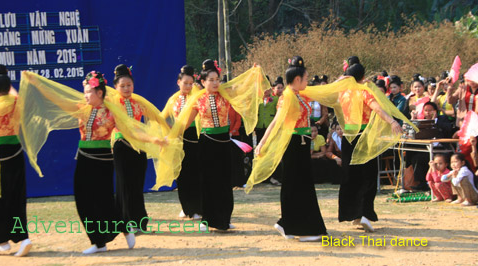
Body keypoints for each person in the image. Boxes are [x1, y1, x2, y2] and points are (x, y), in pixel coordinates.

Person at [19, 71, 170, 254]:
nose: (85, 95)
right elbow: (58, 99)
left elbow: (132, 133)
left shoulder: (113, 112)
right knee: (83, 200)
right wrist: (36, 82)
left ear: (99, 93)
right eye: (84, 92)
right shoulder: (82, 108)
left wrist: (155, 140)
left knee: (104, 201)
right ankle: (103, 238)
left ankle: (111, 235)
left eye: (88, 92)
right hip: (84, 158)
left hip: (103, 159)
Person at [161, 59, 268, 231]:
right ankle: (208, 219)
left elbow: (243, 88)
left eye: (217, 79)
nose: (215, 83)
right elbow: (184, 124)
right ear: (202, 82)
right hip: (206, 144)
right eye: (210, 80)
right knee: (208, 181)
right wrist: (170, 136)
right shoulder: (197, 100)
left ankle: (225, 218)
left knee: (225, 181)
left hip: (224, 143)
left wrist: (254, 74)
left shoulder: (226, 94)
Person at [250, 56, 328, 242]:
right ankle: (296, 226)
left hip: (303, 143)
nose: (308, 81)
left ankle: (288, 223)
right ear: (297, 80)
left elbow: (326, 91)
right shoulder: (287, 97)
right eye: (306, 78)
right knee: (295, 184)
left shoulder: (301, 95)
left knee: (300, 184)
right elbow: (276, 122)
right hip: (293, 144)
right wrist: (262, 143)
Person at [337, 63, 403, 233]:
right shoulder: (364, 92)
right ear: (362, 77)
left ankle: (354, 214)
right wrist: (392, 121)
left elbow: (330, 93)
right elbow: (377, 109)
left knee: (350, 177)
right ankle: (364, 214)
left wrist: (341, 80)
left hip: (348, 138)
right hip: (364, 137)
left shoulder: (343, 93)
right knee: (368, 176)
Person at [0, 71, 32, 256]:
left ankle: (3, 240)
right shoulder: (16, 102)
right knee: (16, 196)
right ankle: (21, 238)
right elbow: (15, 93)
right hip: (16, 154)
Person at [110, 64, 161, 231]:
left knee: (137, 184)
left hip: (139, 147)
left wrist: (168, 133)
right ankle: (124, 222)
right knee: (124, 184)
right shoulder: (111, 103)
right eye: (122, 86)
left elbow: (157, 117)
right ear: (115, 87)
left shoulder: (139, 102)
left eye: (129, 85)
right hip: (121, 145)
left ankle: (139, 222)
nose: (126, 88)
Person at [162, 65, 202, 219]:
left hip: (193, 136)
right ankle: (186, 207)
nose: (188, 86)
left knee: (195, 172)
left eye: (191, 83)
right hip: (177, 138)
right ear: (178, 82)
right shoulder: (173, 99)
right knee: (180, 172)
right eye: (185, 83)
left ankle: (197, 208)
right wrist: (170, 129)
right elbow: (162, 116)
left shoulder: (196, 96)